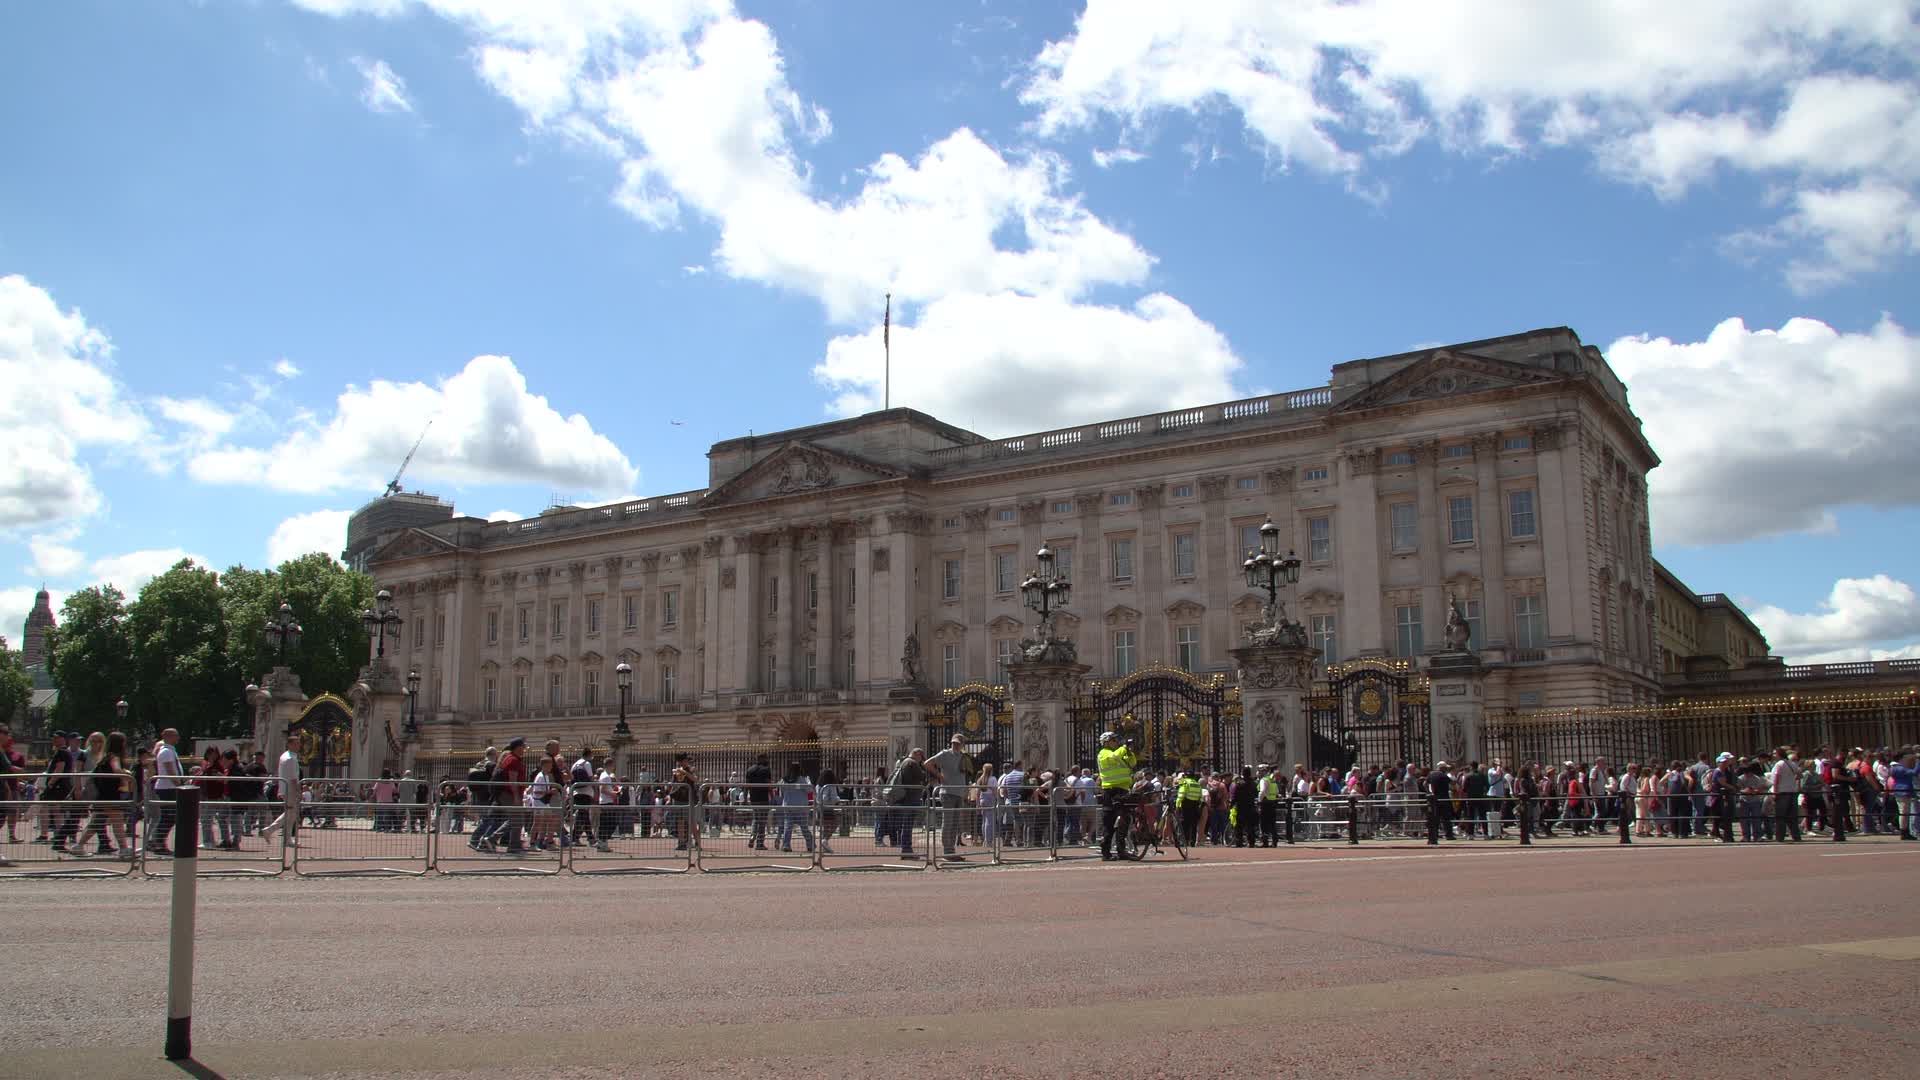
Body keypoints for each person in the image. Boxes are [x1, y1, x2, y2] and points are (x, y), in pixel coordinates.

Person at [924, 735, 973, 859]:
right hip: (947, 792)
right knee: (948, 822)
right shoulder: (945, 754)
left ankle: (951, 850)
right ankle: (947, 851)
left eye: (958, 743)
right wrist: (939, 775)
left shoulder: (964, 756)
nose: (955, 745)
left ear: (962, 745)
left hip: (959, 793)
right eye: (953, 743)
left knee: (955, 823)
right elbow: (927, 763)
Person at [1095, 732, 1138, 861]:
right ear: (1106, 742)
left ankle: (1121, 850)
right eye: (1113, 740)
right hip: (1111, 791)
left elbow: (1132, 763)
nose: (1116, 742)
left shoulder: (1120, 752)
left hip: (1123, 790)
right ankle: (1106, 852)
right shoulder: (1104, 753)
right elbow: (1114, 756)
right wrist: (1124, 747)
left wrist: (1129, 752)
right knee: (1109, 821)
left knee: (1125, 819)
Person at [887, 748, 931, 859]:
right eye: (921, 757)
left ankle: (906, 849)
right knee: (908, 824)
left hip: (907, 797)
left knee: (906, 824)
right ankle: (906, 850)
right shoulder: (912, 763)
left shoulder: (904, 763)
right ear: (917, 754)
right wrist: (924, 767)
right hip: (911, 797)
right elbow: (923, 777)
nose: (922, 760)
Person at [147, 729, 185, 855]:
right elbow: (170, 771)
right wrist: (179, 785)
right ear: (169, 736)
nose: (178, 738)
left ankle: (157, 842)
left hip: (168, 787)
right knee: (169, 817)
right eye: (176, 735)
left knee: (168, 817)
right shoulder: (166, 752)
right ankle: (158, 843)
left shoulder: (169, 751)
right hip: (168, 788)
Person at [261, 742, 303, 848]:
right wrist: (298, 790)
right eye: (296, 744)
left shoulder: (284, 756)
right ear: (290, 745)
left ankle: (287, 839)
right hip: (291, 789)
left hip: (285, 788)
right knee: (290, 813)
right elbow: (294, 777)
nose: (299, 746)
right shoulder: (291, 758)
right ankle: (270, 830)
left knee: (291, 814)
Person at [774, 761, 815, 853]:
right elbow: (809, 790)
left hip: (788, 805)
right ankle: (810, 845)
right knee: (804, 827)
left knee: (787, 827)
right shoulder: (801, 779)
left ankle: (786, 845)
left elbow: (780, 791)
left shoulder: (784, 779)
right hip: (801, 806)